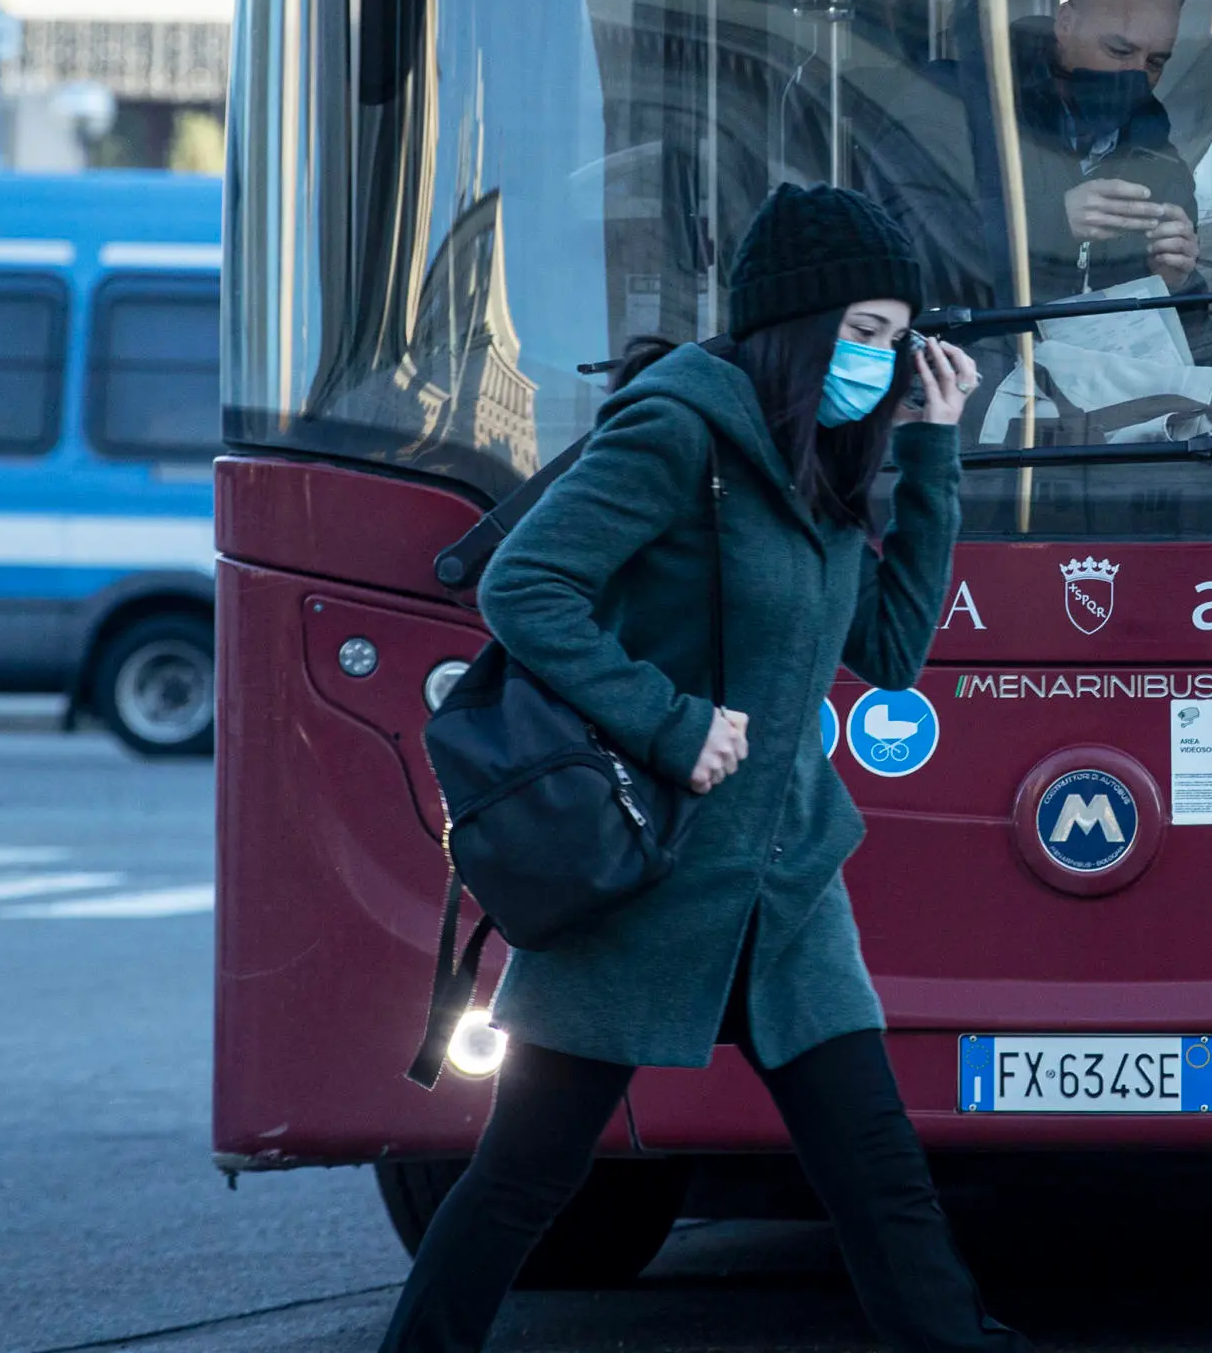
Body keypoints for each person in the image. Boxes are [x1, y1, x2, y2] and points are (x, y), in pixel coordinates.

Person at [377, 184, 1021, 1353]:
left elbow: (890, 648)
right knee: (525, 1178)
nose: (874, 360)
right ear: (795, 327)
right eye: (859, 334)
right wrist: (673, 723)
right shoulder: (679, 430)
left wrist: (931, 451)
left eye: (891, 336)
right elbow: (524, 586)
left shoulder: (816, 456)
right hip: (649, 878)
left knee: (883, 1184)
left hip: (785, 890)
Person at [978, 0, 1201, 297]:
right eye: (1119, 50)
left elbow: (1187, 333)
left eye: (1155, 62)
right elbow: (915, 247)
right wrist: (1051, 220)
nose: (1135, 73)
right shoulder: (966, 109)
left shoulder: (1161, 162)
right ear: (1066, 24)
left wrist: (1173, 281)